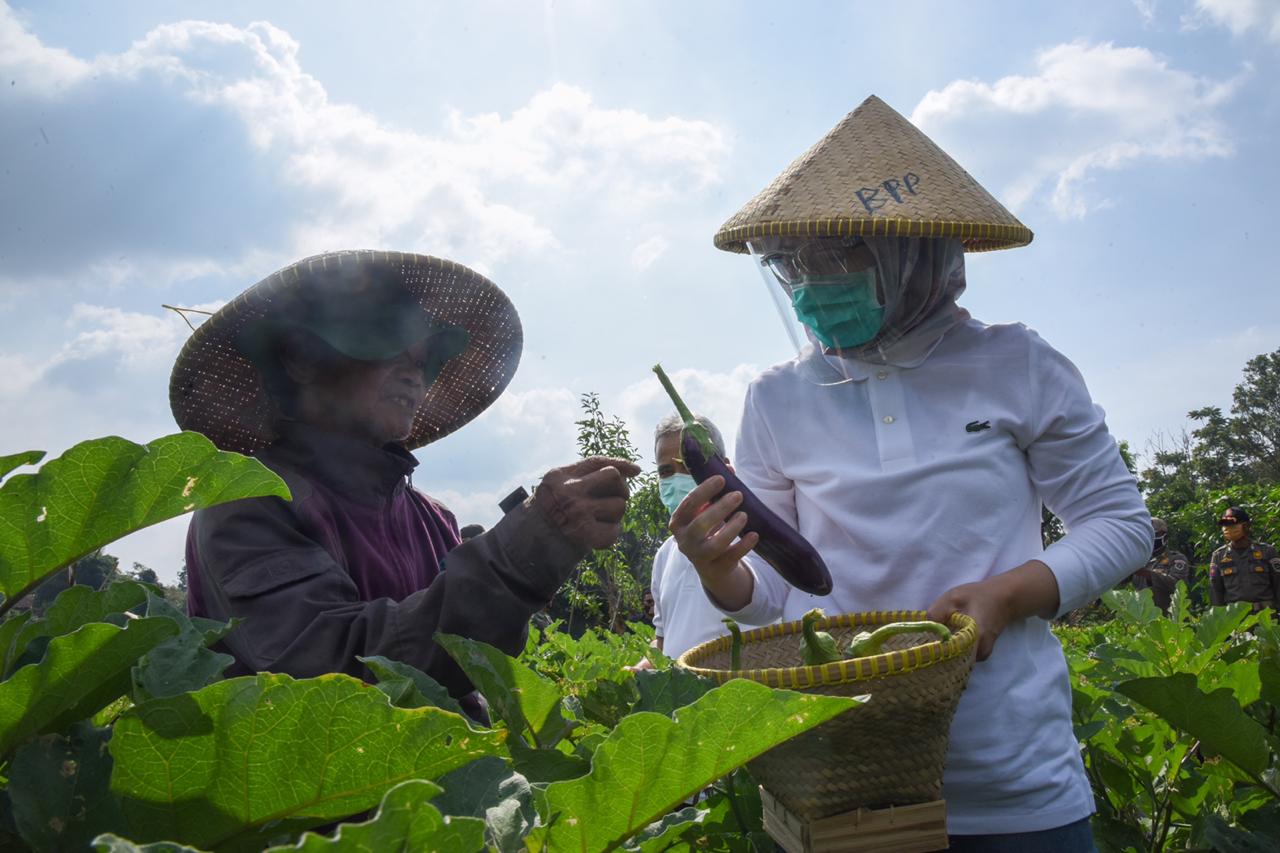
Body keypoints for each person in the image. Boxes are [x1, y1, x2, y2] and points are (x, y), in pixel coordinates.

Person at [670, 96, 1149, 847]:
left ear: (913, 251)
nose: (806, 282)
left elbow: (1121, 523)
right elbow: (765, 598)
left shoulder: (1016, 362)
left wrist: (1006, 594)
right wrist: (716, 569)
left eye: (834, 256)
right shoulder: (776, 397)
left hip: (1015, 782)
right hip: (841, 780)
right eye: (790, 263)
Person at [170, 250, 639, 712]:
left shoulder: (432, 519)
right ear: (300, 358)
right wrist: (524, 551)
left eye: (422, 359)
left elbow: (464, 678)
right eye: (382, 344)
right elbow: (342, 677)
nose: (412, 373)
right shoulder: (250, 501)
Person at [631, 413, 761, 671]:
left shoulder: (753, 540)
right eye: (665, 471)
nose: (676, 480)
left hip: (746, 700)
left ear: (725, 469)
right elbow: (665, 642)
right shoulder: (664, 555)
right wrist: (639, 670)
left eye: (689, 466)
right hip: (684, 708)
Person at [1209, 506, 1280, 612]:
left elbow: (1278, 583)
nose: (1227, 529)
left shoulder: (1267, 552)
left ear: (1245, 526)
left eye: (1231, 524)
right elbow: (1216, 591)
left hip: (1265, 616)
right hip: (1235, 618)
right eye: (1224, 525)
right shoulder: (1219, 556)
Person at [1131, 517, 1191, 612]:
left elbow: (1177, 584)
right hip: (1143, 617)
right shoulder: (1140, 560)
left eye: (1153, 534)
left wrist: (1146, 573)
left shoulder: (1176, 559)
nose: (1149, 538)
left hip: (1169, 617)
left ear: (1165, 537)